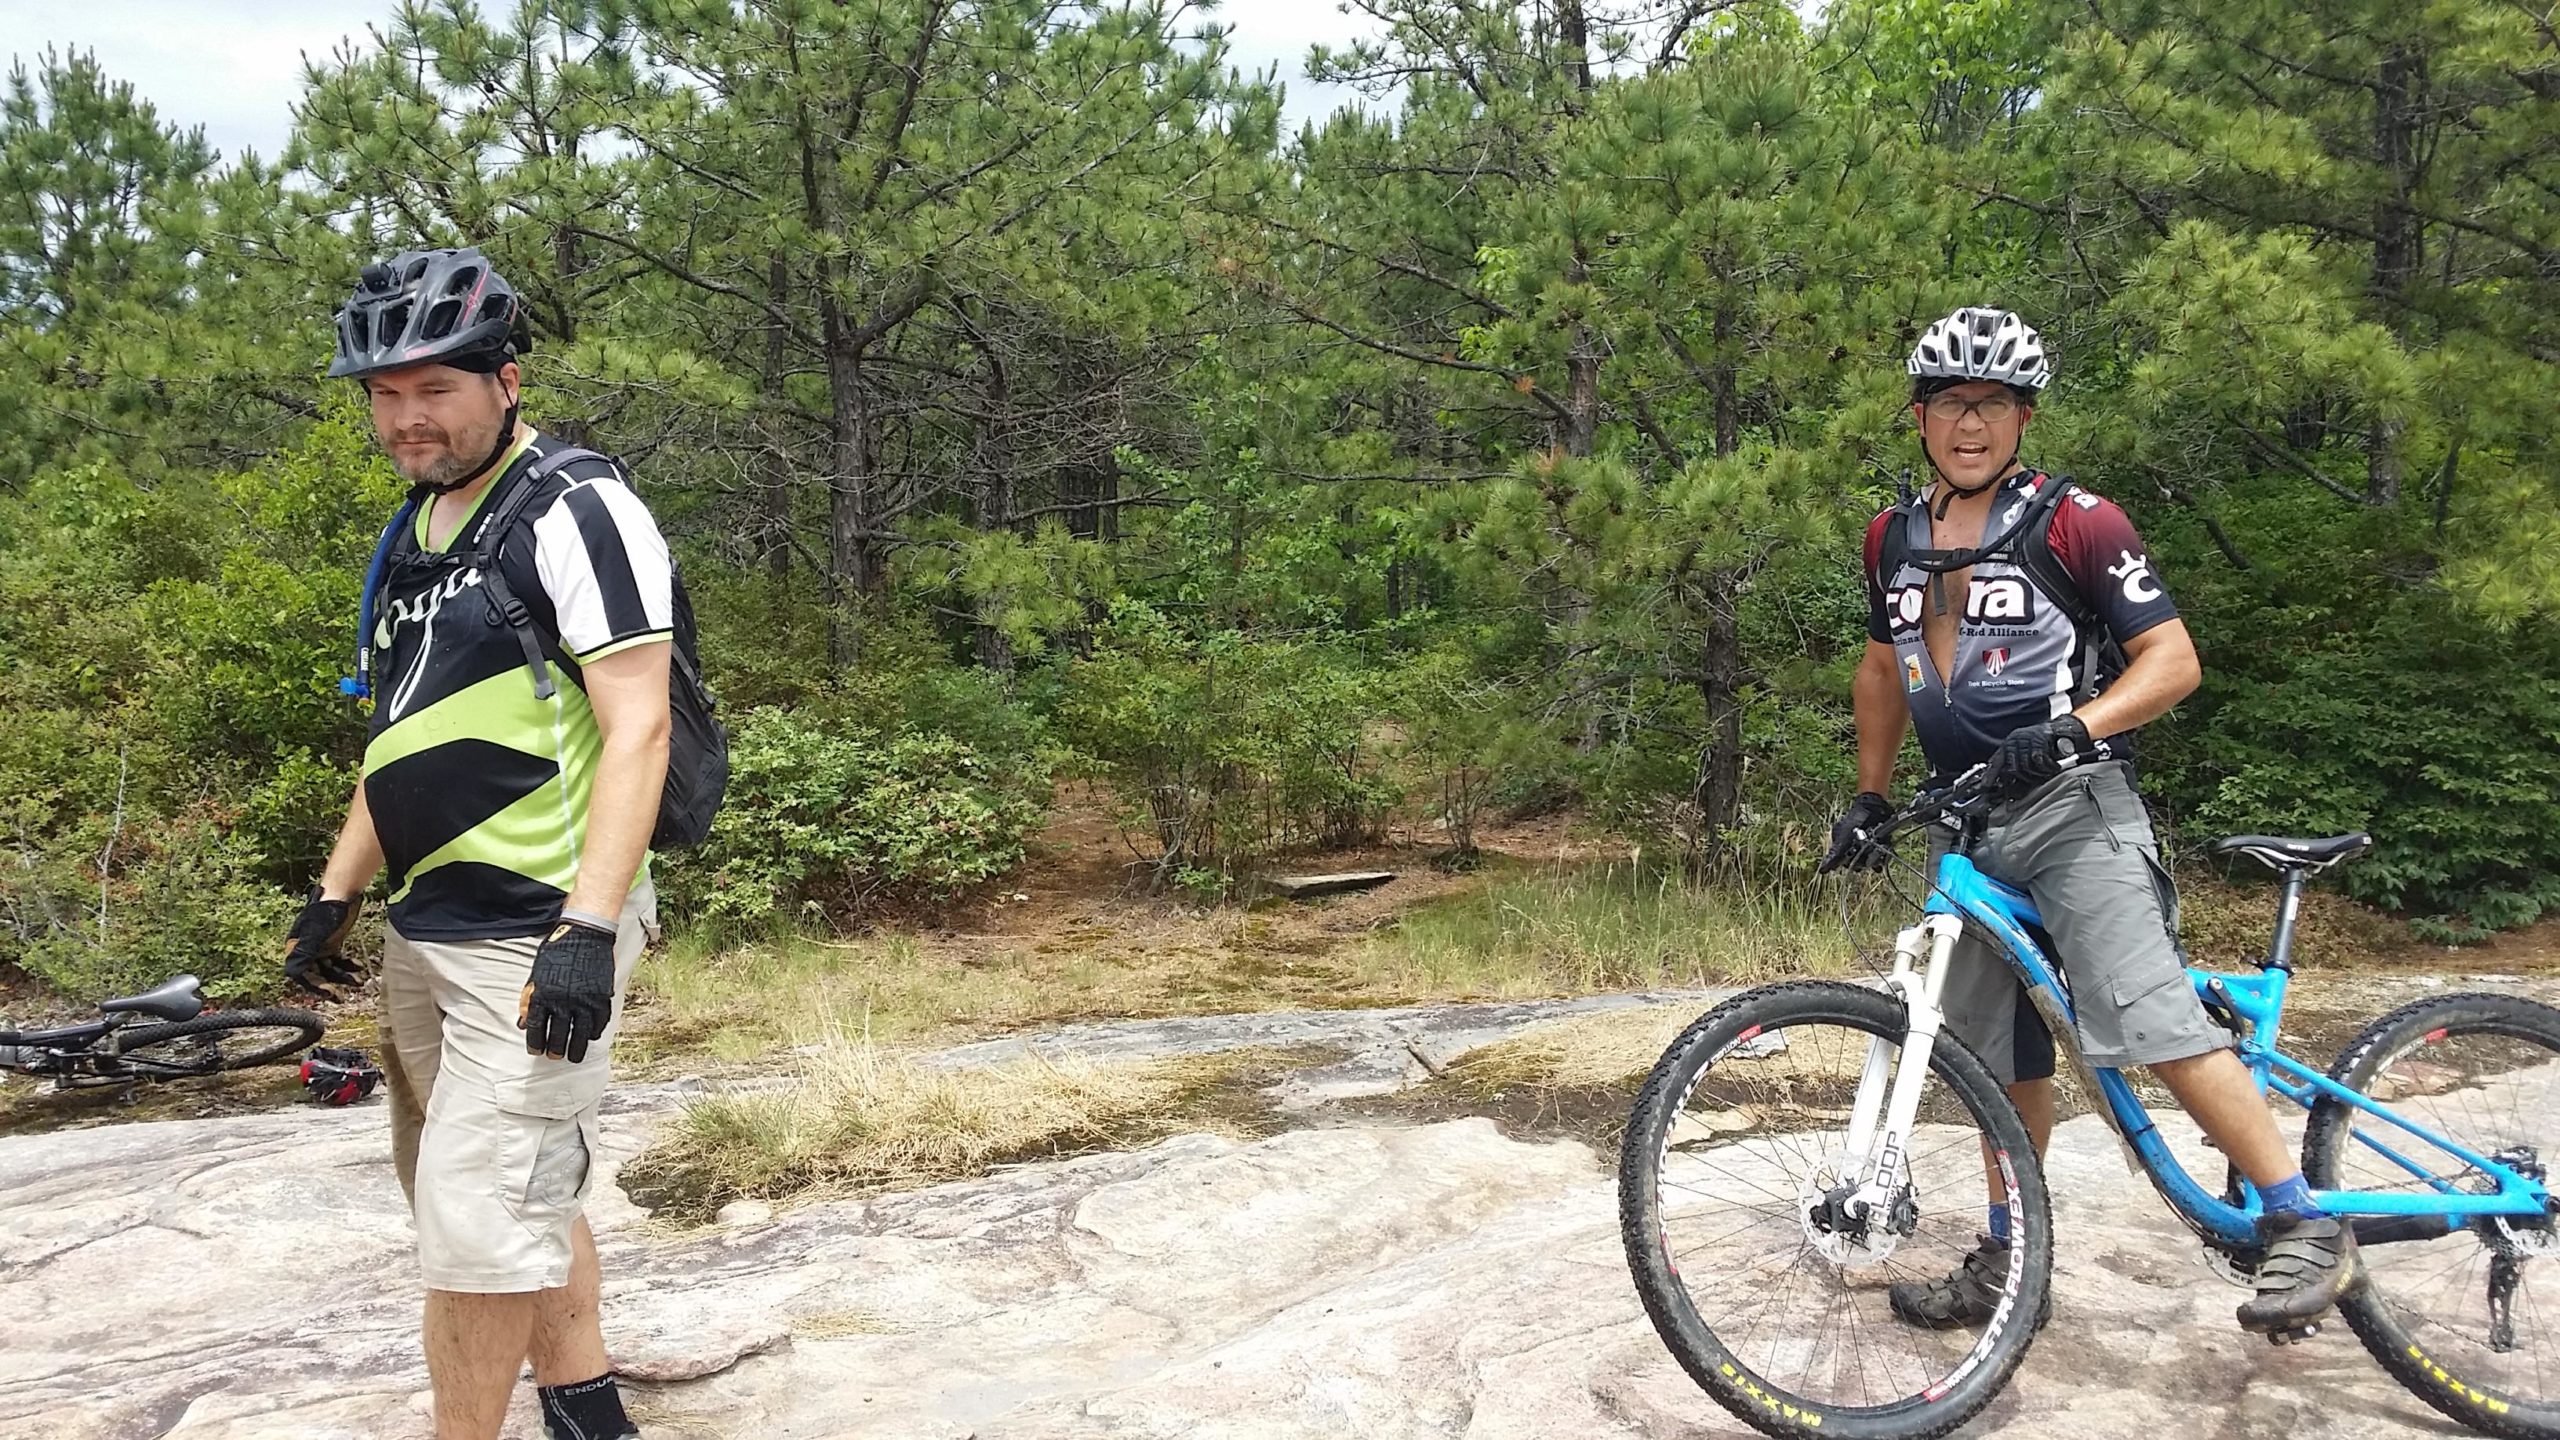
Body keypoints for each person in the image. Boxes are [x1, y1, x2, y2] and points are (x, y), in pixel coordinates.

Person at [1822, 306, 2362, 1339]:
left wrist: (2073, 727)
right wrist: (1872, 794)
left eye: (1989, 403)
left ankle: (2300, 1221)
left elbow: (2171, 662)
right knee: (1994, 1060)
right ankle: (2011, 1252)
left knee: (2142, 1015)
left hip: (2073, 810)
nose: (1967, 423)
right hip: (1966, 825)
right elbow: (1883, 668)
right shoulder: (1890, 538)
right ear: (1919, 415)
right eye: (1948, 402)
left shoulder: (2079, 523)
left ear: (2022, 416)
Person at [280, 247, 672, 1440]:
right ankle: (588, 1410)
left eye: (435, 389)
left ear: (507, 380)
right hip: (426, 927)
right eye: (386, 395)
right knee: (496, 1201)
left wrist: (586, 933)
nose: (407, 418)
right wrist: (335, 893)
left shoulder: (574, 508)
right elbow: (403, 739)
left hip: (536, 930)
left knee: (474, 1224)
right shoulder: (417, 528)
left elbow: (639, 721)